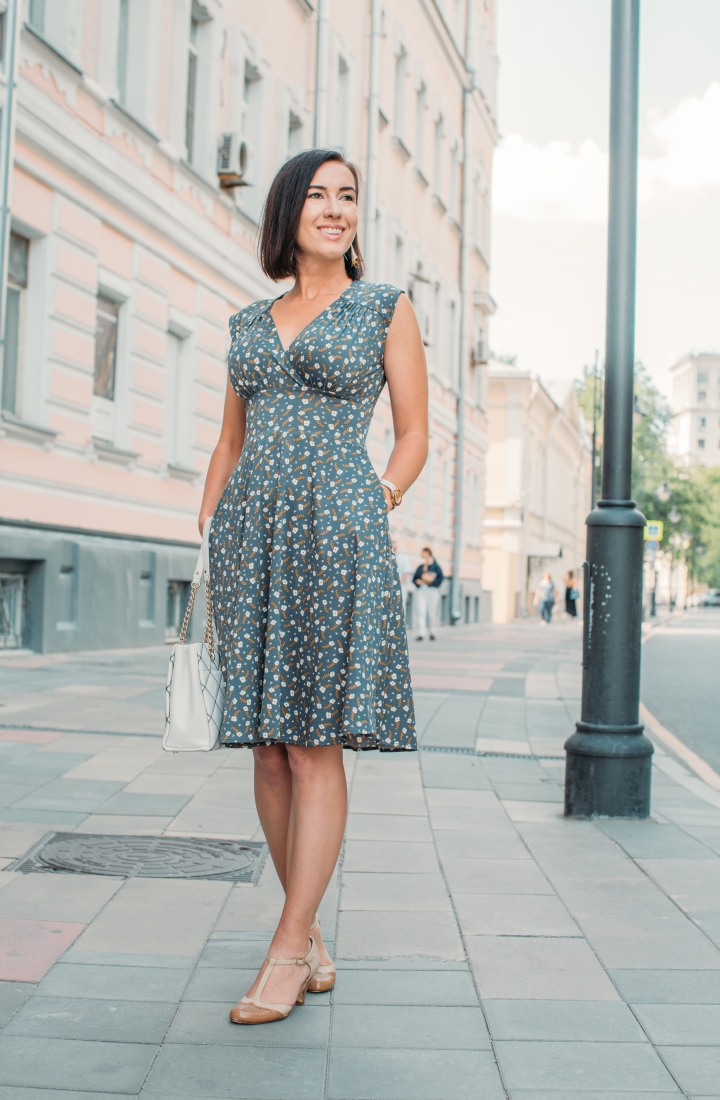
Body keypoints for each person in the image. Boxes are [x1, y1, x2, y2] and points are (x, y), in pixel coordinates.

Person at [199, 149, 429, 1026]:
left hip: (337, 534)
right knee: (263, 745)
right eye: (318, 196)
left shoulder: (384, 307)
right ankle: (310, 931)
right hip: (250, 537)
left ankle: (287, 947)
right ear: (287, 212)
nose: (334, 209)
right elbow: (229, 440)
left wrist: (374, 500)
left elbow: (412, 434)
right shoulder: (247, 322)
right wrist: (210, 525)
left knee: (311, 745)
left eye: (348, 197)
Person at [413, 547, 443, 640]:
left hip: (432, 590)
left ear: (428, 553)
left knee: (432, 612)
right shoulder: (421, 566)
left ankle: (432, 631)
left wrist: (432, 582)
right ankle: (421, 633)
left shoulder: (435, 566)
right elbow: (415, 578)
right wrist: (417, 582)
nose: (422, 555)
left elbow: (440, 578)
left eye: (423, 553)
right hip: (422, 590)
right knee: (421, 612)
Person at [393, 539, 413, 615]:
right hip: (389, 587)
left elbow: (407, 572)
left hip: (400, 587)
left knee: (400, 607)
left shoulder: (402, 558)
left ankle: (400, 626)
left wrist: (399, 583)